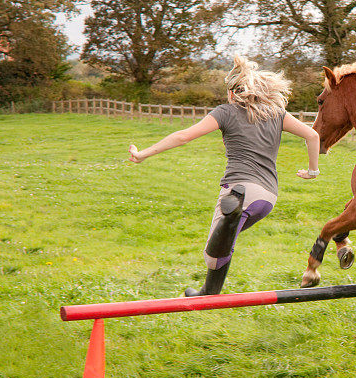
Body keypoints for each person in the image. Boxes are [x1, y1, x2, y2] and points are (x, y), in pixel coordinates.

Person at [127, 56, 321, 296]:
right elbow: (312, 136)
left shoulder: (226, 112)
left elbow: (183, 136)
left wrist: (143, 154)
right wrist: (312, 172)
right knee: (226, 241)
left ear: (232, 93)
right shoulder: (277, 113)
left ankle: (231, 215)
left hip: (240, 190)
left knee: (212, 255)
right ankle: (209, 292)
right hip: (268, 197)